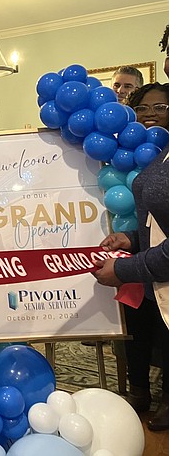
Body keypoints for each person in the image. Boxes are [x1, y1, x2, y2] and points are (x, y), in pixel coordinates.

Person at [93, 82, 169, 431]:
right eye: (143, 108)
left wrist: (126, 269)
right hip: (148, 261)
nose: (151, 114)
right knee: (140, 327)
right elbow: (157, 223)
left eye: (161, 107)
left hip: (155, 266)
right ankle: (139, 391)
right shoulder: (160, 156)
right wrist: (131, 237)